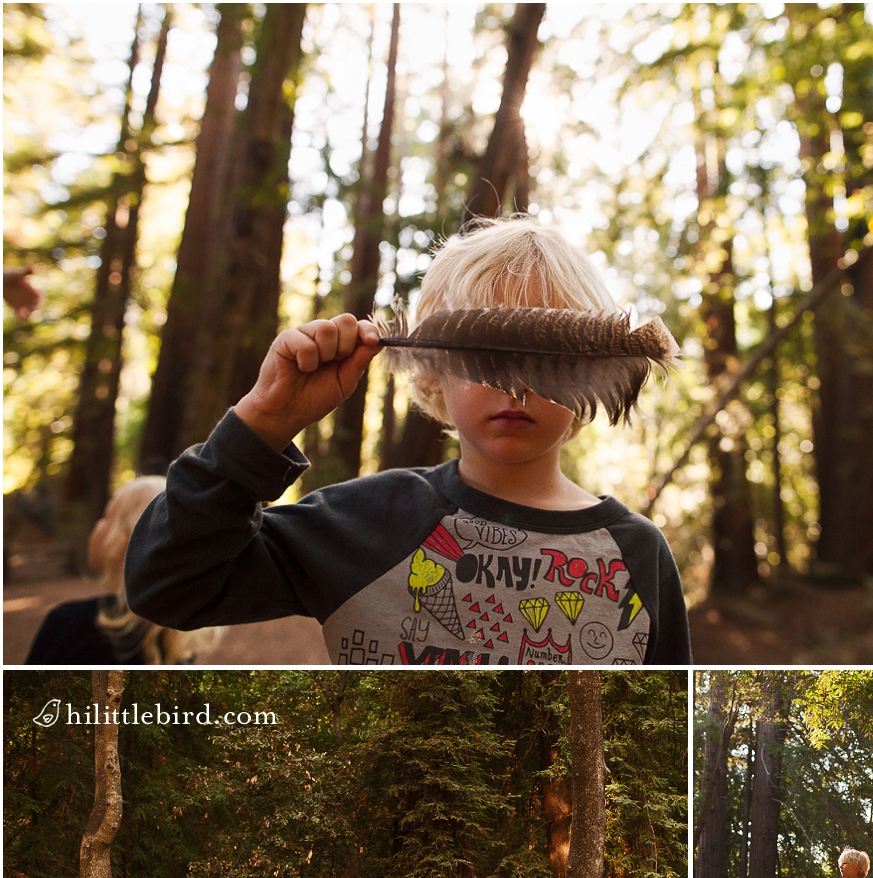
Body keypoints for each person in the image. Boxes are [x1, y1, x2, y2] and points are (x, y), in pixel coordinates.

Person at [124, 219, 691, 666]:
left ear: (592, 368)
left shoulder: (637, 555)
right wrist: (263, 422)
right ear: (431, 370)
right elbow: (169, 585)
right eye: (485, 356)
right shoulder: (365, 522)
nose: (517, 386)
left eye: (545, 359)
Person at [25, 476, 224, 664]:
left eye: (105, 517)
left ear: (127, 543)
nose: (97, 524)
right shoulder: (178, 635)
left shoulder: (68, 624)